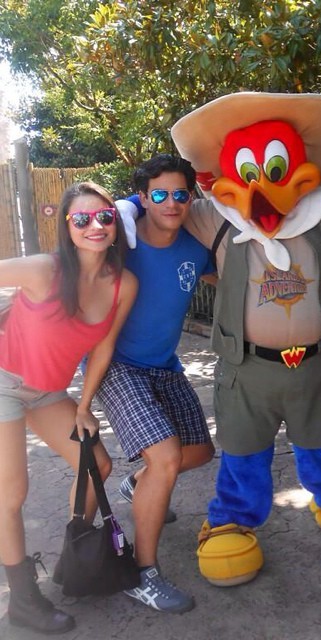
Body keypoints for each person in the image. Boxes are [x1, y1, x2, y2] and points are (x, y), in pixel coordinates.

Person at [170, 92, 321, 587]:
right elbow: (162, 208)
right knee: (244, 449)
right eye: (249, 174)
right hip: (247, 368)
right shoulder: (217, 219)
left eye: (275, 169)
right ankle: (231, 519)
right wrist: (119, 211)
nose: (263, 188)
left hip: (316, 364)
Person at [0, 181, 137, 634]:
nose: (95, 226)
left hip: (49, 393)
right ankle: (23, 601)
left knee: (96, 463)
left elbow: (103, 347)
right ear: (67, 226)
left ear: (116, 224)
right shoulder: (45, 269)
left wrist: (84, 405)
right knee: (11, 495)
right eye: (82, 219)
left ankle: (74, 559)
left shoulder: (123, 284)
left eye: (104, 217)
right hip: (4, 383)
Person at [97, 155, 215, 613]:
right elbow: (75, 245)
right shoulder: (120, 242)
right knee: (164, 457)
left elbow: (236, 270)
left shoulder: (196, 247)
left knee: (199, 453)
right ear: (143, 198)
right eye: (159, 194)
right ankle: (142, 573)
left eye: (180, 194)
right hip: (117, 364)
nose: (171, 203)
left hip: (164, 365)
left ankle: (137, 484)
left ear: (191, 197)